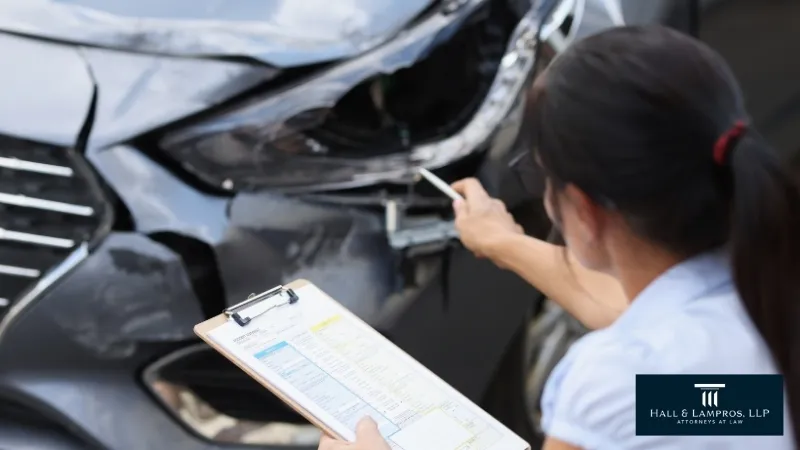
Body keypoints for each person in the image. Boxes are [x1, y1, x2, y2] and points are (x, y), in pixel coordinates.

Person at [319, 24, 800, 449]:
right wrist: (503, 242)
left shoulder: (616, 380)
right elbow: (666, 369)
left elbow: (637, 376)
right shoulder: (764, 307)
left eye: (541, 176)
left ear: (585, 210)